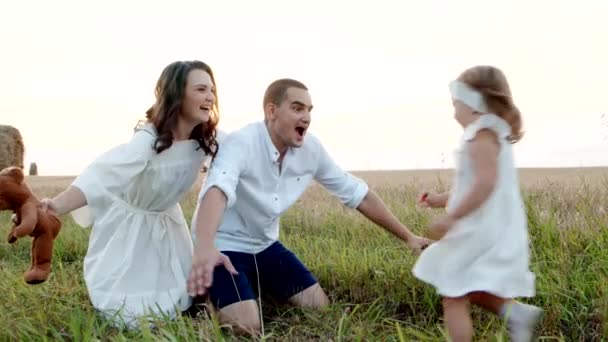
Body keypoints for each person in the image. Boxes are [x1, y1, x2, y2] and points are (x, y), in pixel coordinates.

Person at [186, 78, 431, 335]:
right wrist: (204, 246)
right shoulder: (241, 142)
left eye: (309, 110)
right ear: (272, 111)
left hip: (265, 246)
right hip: (225, 246)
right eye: (297, 108)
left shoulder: (310, 149)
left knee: (320, 308)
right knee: (246, 327)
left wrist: (409, 237)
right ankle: (206, 300)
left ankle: (252, 286)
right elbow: (217, 190)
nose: (306, 117)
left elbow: (360, 195)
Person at [37, 60, 221, 328]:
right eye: (201, 89)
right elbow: (104, 174)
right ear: (177, 94)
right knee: (132, 312)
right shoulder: (148, 139)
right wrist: (55, 206)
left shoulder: (206, 140)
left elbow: (241, 156)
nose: (210, 97)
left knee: (182, 300)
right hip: (131, 230)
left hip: (169, 226)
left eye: (212, 91)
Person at [413, 65, 542, 342]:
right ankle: (516, 314)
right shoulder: (491, 134)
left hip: (479, 230)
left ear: (473, 103)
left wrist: (452, 217)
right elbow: (474, 187)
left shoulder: (481, 136)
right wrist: (440, 200)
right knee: (471, 287)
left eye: (455, 104)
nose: (453, 112)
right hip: (490, 227)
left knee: (453, 294)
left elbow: (485, 183)